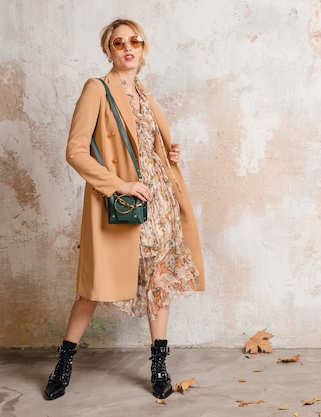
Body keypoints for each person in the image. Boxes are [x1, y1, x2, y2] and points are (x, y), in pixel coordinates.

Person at [44, 18, 205, 401]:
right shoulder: (97, 90)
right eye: (119, 43)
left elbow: (145, 149)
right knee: (94, 286)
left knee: (159, 284)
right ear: (108, 50)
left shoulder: (146, 94)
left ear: (144, 49)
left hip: (160, 205)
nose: (127, 48)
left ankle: (159, 365)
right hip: (124, 205)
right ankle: (63, 364)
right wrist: (120, 185)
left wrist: (169, 153)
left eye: (135, 41)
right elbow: (75, 151)